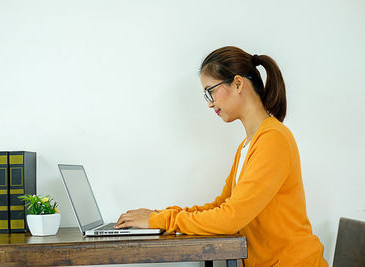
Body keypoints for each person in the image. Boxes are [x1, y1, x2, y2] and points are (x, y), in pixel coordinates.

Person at [115, 46, 328, 266]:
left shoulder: (273, 139)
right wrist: (159, 215)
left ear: (238, 84)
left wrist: (159, 220)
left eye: (211, 91)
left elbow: (230, 218)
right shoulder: (248, 145)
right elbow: (223, 206)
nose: (209, 103)